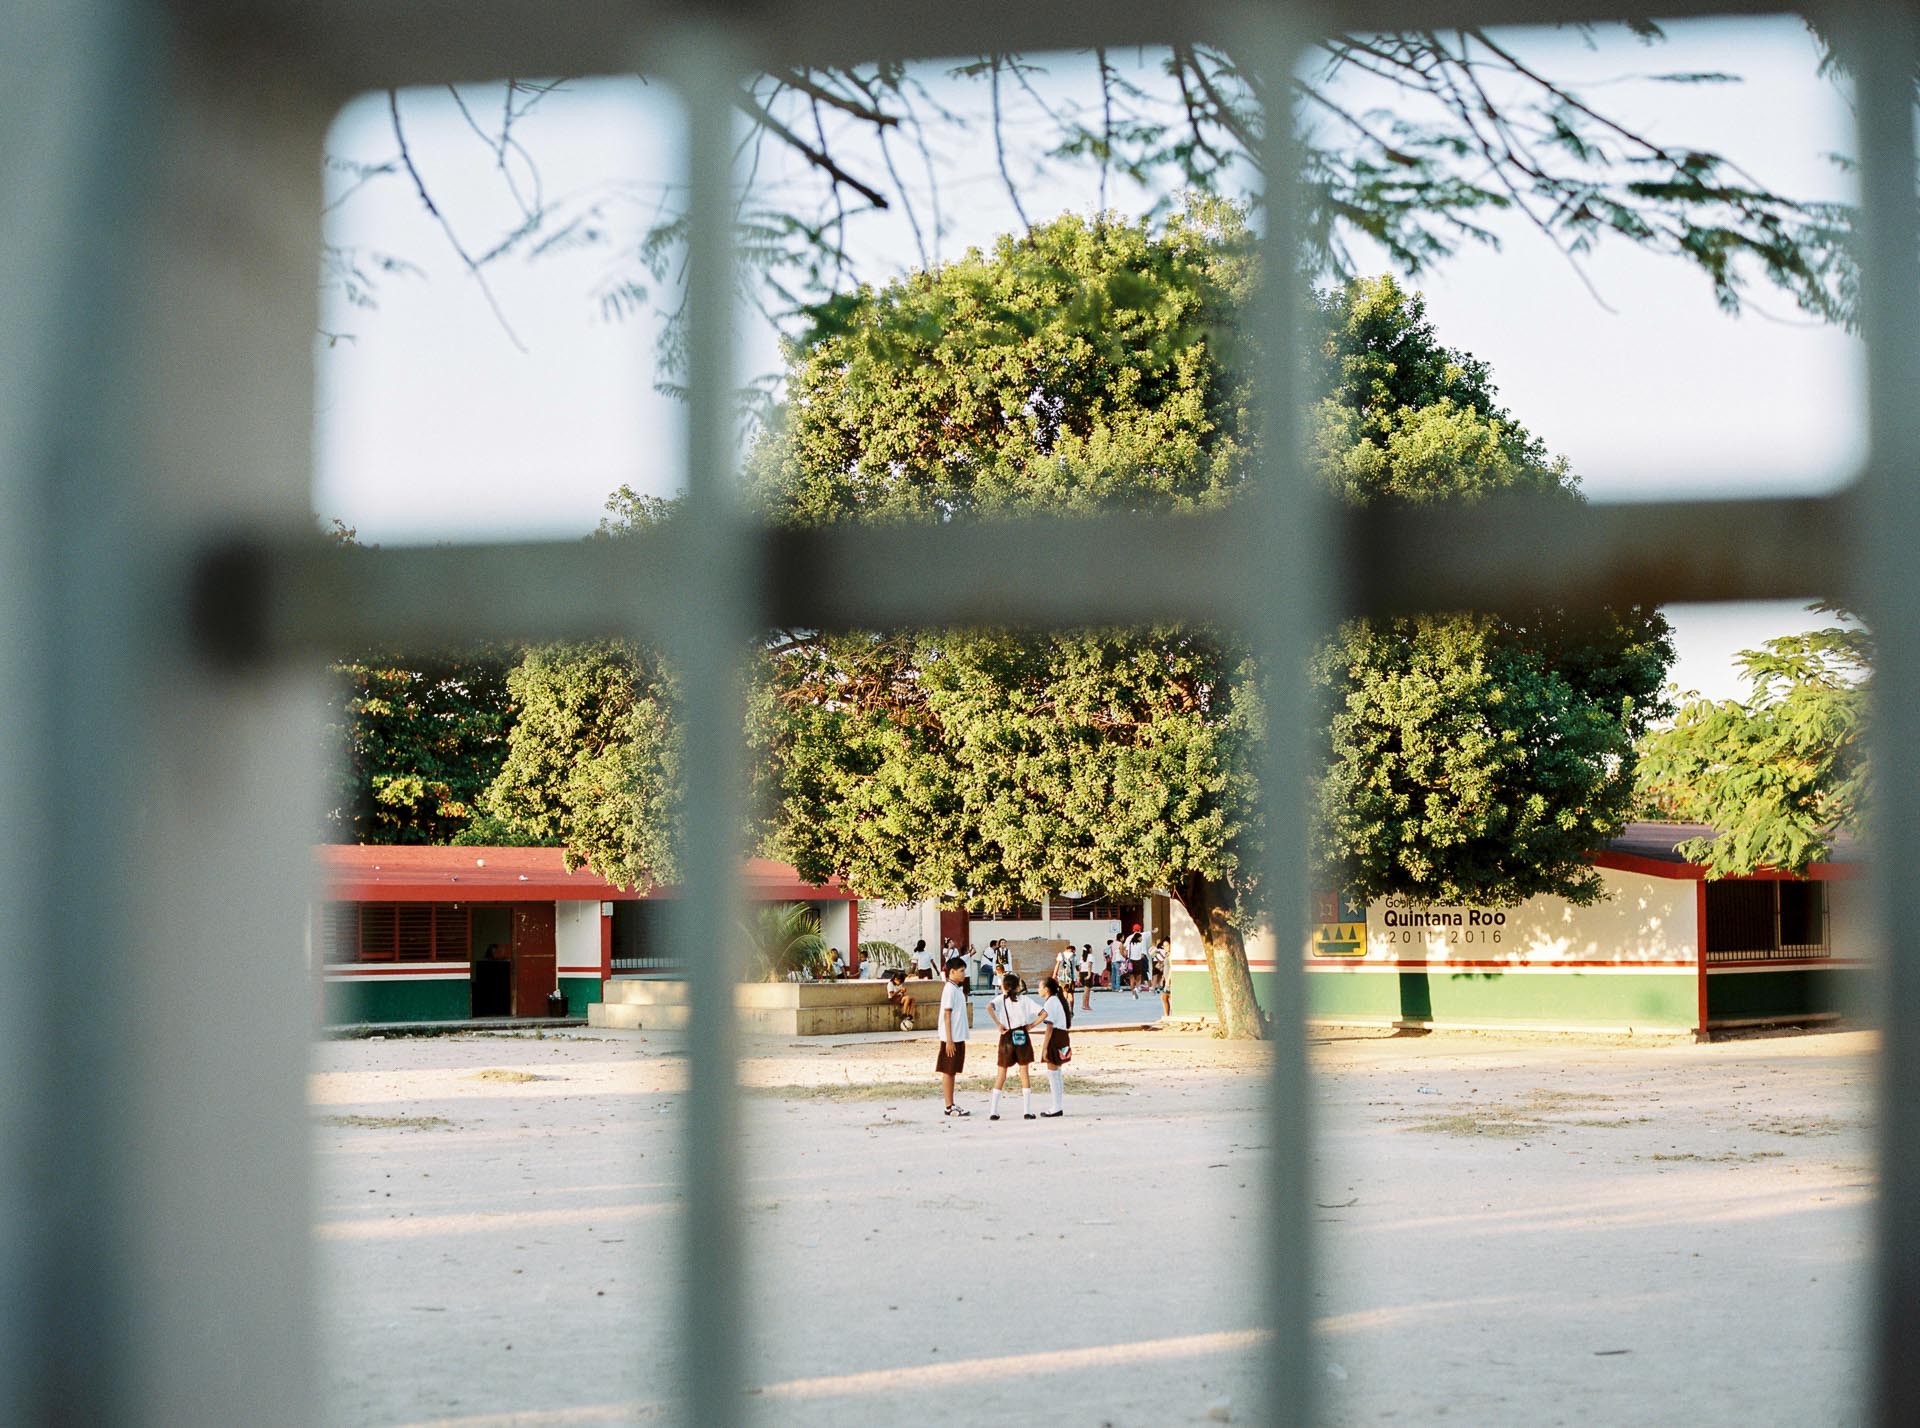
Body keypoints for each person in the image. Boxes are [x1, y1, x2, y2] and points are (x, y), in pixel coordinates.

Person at [988, 971, 1045, 1121]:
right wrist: (1031, 1025)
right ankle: (1027, 1110)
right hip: (1021, 1035)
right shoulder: (1025, 1000)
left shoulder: (1001, 999)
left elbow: (989, 1007)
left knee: (1001, 1073)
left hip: (1006, 1035)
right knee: (1024, 1072)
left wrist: (998, 1024)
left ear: (1004, 987)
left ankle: (993, 1111)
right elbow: (1044, 1013)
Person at [935, 956, 972, 1116]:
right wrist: (949, 1040)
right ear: (952, 972)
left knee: (953, 1071)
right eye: (961, 971)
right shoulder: (949, 989)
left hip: (958, 1036)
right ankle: (949, 1105)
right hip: (951, 1038)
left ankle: (951, 1103)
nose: (964, 974)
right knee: (948, 1071)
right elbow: (947, 1015)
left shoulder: (957, 988)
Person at [1037, 974, 1072, 1117]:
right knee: (1057, 1072)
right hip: (1063, 1036)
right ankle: (1057, 1105)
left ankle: (1056, 1107)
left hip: (1055, 1037)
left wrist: (1044, 1048)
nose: (1038, 990)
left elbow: (1049, 1027)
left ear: (1046, 989)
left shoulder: (1050, 1002)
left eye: (1040, 987)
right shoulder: (1057, 1000)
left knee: (1052, 1073)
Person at [1155, 936, 1173, 1017]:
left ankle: (1169, 1015)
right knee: (1164, 998)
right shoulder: (1167, 954)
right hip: (1166, 979)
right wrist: (1163, 978)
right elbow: (1166, 967)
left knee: (1167, 997)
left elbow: (1171, 968)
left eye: (1167, 945)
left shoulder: (1171, 955)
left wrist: (1168, 981)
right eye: (1164, 946)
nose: (1165, 947)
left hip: (1170, 980)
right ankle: (1166, 1015)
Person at [1078, 944, 1094, 1011]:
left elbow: (1080, 967)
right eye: (1091, 948)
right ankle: (1086, 1005)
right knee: (1087, 991)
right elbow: (1089, 965)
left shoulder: (1082, 957)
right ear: (1089, 949)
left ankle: (1085, 1004)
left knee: (1085, 991)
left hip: (1082, 973)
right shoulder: (1090, 956)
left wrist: (1078, 976)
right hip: (1087, 973)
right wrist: (1089, 975)